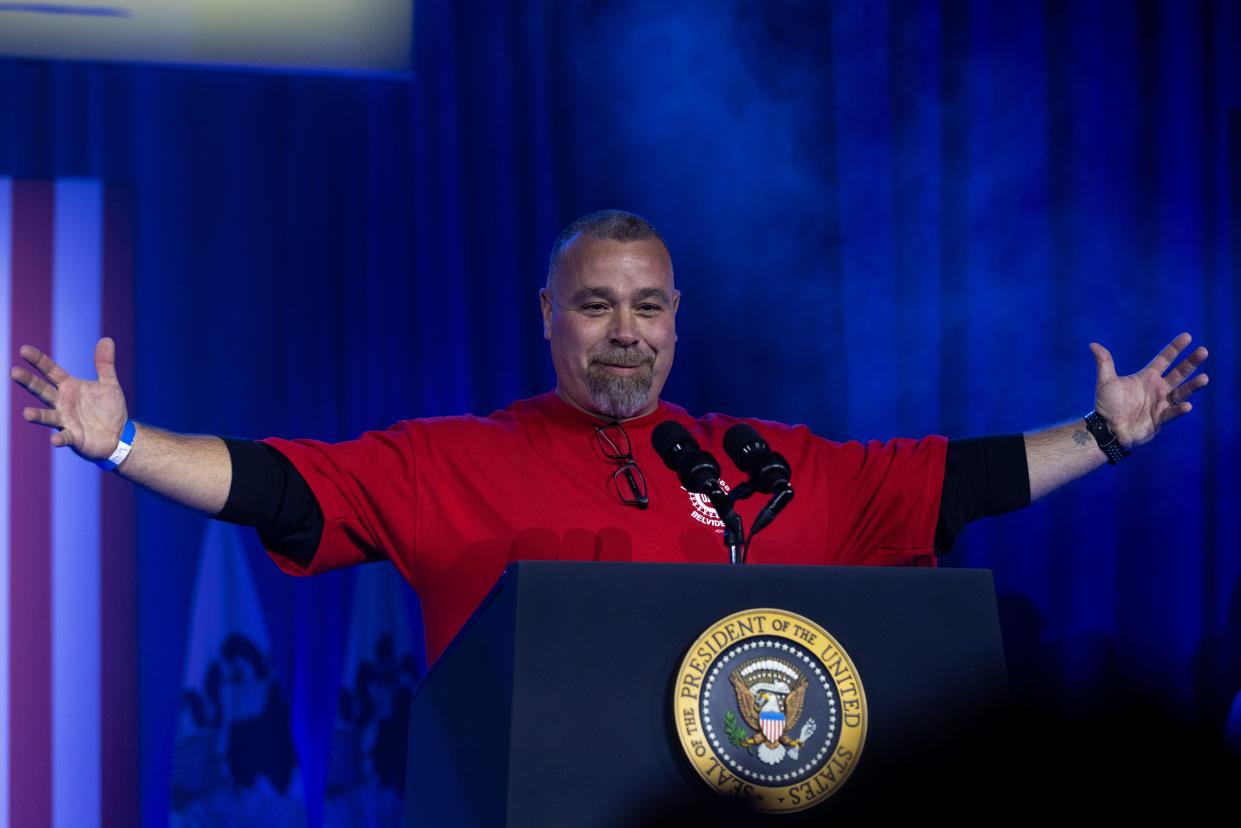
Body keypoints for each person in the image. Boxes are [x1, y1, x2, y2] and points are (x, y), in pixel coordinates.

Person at [10, 210, 1210, 663]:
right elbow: (279, 487)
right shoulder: (449, 460)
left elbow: (952, 483)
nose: (622, 333)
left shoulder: (770, 461)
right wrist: (125, 446)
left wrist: (1100, 439)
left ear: (677, 320)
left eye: (646, 306)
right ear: (548, 318)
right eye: (594, 304)